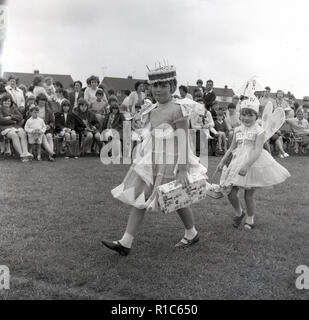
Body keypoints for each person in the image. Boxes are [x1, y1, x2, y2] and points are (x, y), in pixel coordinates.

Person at [101, 65, 207, 256]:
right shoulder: (152, 108)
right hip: (153, 159)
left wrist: (182, 168)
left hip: (171, 160)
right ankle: (126, 242)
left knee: (174, 196)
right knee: (141, 195)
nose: (158, 90)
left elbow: (183, 139)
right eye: (154, 85)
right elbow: (149, 133)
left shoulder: (179, 109)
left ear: (172, 85)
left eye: (162, 85)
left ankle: (191, 232)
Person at [216, 95, 290, 230]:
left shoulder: (259, 131)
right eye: (244, 114)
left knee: (248, 194)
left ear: (256, 116)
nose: (246, 118)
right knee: (231, 192)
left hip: (253, 164)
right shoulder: (237, 130)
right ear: (240, 116)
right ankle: (239, 212)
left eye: (250, 115)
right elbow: (232, 148)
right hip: (237, 163)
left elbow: (257, 150)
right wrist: (222, 162)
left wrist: (247, 165)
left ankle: (250, 219)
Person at [0, 94, 33, 162]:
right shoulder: (0, 109)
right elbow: (1, 120)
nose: (7, 102)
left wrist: (11, 116)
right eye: (5, 101)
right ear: (2, 102)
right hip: (4, 127)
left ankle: (25, 152)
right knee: (14, 135)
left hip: (15, 126)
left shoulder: (13, 108)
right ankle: (22, 155)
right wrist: (13, 120)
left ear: (11, 102)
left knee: (22, 133)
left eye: (9, 101)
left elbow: (20, 117)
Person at [32, 93, 56, 161]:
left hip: (47, 129)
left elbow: (52, 122)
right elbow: (29, 119)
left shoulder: (48, 110)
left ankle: (50, 156)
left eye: (44, 100)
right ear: (37, 100)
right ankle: (52, 153)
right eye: (41, 100)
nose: (43, 102)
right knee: (43, 136)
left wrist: (49, 125)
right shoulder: (33, 109)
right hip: (36, 129)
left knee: (49, 136)